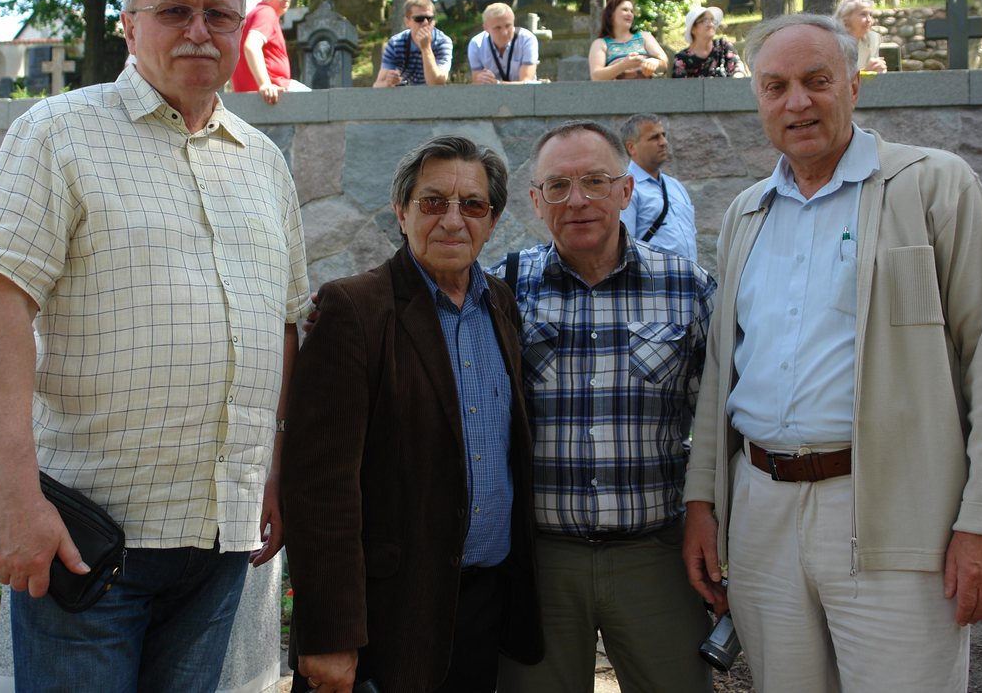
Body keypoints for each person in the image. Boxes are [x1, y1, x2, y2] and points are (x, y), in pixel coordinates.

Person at [0, 0, 312, 691]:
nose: (199, 30)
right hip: (87, 539)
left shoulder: (264, 163)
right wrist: (12, 495)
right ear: (128, 24)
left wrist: (274, 469)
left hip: (219, 539)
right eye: (174, 10)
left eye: (219, 14)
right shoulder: (58, 133)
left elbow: (282, 324)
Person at [682, 14, 982, 693]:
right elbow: (723, 371)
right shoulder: (747, 214)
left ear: (854, 86)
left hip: (896, 509)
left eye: (817, 81)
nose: (797, 102)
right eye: (775, 86)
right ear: (758, 98)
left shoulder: (934, 185)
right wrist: (703, 500)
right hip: (761, 515)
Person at [281, 136, 542, 693]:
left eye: (472, 204)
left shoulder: (501, 305)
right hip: (385, 620)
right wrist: (330, 636)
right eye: (433, 202)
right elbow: (319, 489)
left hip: (481, 609)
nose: (453, 220)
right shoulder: (354, 309)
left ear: (493, 220)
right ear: (401, 212)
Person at [494, 121, 715, 693]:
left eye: (595, 181)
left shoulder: (688, 289)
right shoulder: (500, 291)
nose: (577, 200)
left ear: (626, 191)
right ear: (536, 201)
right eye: (558, 186)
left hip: (655, 558)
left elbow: (721, 420)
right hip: (540, 563)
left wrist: (709, 513)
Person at [620, 113, 698, 262]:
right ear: (631, 147)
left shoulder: (675, 186)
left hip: (689, 274)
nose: (664, 142)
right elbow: (624, 247)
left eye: (663, 135)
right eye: (654, 137)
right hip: (651, 276)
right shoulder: (626, 189)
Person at [233, 0, 309, 103]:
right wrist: (265, 84)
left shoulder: (253, 15)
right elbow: (251, 46)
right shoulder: (266, 12)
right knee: (327, 105)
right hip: (274, 91)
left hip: (253, 96)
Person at [374, 0, 452, 86]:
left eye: (429, 18)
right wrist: (388, 83)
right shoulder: (396, 43)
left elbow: (437, 83)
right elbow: (377, 85)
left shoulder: (442, 42)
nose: (425, 23)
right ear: (407, 22)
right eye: (419, 19)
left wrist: (426, 48)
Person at [589, 0, 668, 80]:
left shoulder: (645, 37)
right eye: (625, 10)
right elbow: (596, 76)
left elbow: (664, 62)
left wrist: (655, 62)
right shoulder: (600, 43)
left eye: (631, 11)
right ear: (611, 14)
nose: (630, 14)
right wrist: (623, 65)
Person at [468, 3, 540, 84]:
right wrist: (482, 79)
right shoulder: (476, 44)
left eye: (508, 26)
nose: (504, 33)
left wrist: (497, 83)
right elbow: (477, 83)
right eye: (498, 28)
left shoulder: (527, 40)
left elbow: (526, 83)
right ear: (486, 28)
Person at [672, 6, 745, 78]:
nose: (711, 24)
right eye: (705, 21)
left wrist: (736, 78)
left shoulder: (723, 46)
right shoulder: (681, 59)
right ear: (693, 29)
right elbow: (680, 85)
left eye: (712, 20)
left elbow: (739, 70)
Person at [834, 0, 887, 73]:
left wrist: (880, 71)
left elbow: (875, 73)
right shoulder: (833, 42)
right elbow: (835, 77)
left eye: (870, 15)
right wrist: (865, 72)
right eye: (863, 14)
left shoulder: (873, 39)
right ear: (846, 18)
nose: (869, 20)